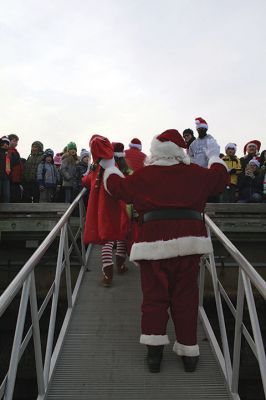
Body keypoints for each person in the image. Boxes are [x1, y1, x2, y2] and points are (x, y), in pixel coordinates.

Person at [101, 129, 228, 373]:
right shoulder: (195, 174)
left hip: (152, 245)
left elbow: (116, 187)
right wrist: (213, 156)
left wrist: (109, 165)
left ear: (155, 151)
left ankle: (154, 355)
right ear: (178, 151)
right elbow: (220, 178)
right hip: (190, 244)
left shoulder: (144, 175)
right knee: (186, 299)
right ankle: (189, 353)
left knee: (154, 300)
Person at [82, 135, 129, 287]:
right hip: (122, 208)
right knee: (121, 236)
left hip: (105, 210)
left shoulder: (98, 170)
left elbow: (86, 181)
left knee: (107, 242)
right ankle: (121, 266)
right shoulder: (122, 170)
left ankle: (108, 275)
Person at [8, 134, 24, 202]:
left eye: (16, 142)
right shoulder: (8, 151)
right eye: (14, 141)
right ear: (9, 141)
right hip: (11, 178)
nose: (16, 143)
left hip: (17, 178)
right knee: (11, 195)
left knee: (17, 195)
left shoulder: (15, 151)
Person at [0, 136, 11, 203]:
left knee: (6, 195)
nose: (5, 144)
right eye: (4, 143)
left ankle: (7, 212)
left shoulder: (10, 154)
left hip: (6, 177)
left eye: (7, 143)